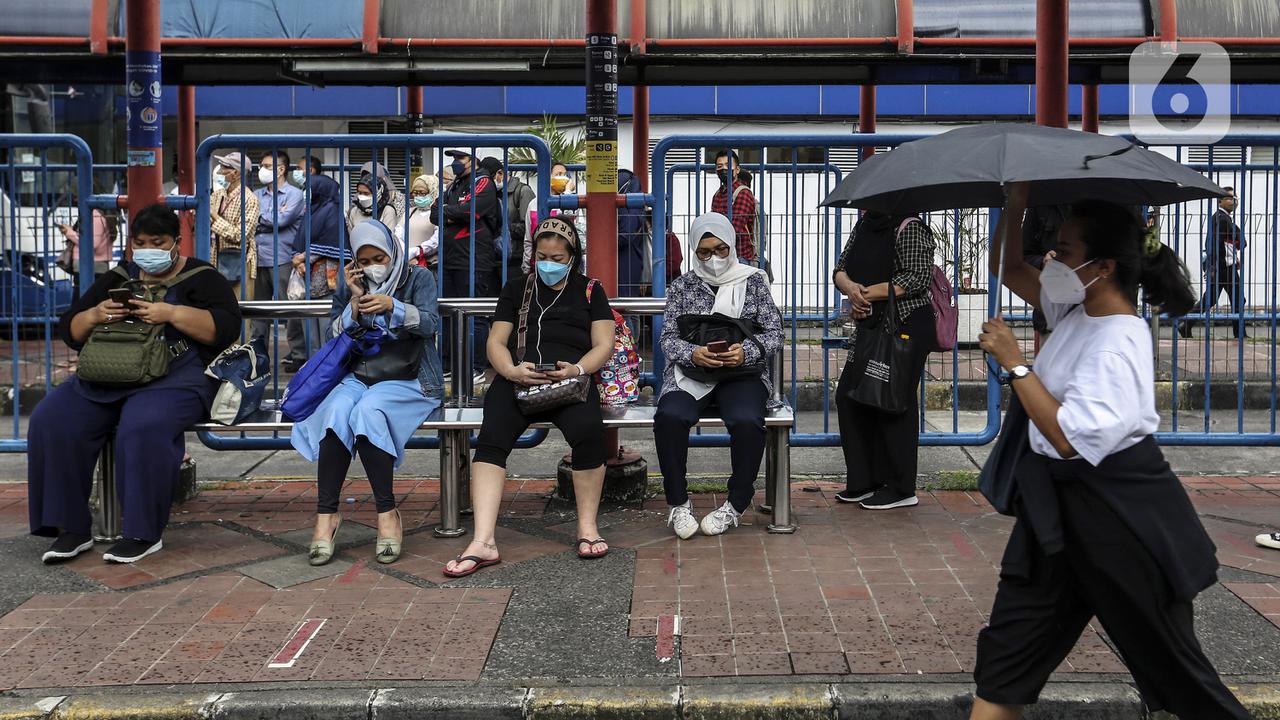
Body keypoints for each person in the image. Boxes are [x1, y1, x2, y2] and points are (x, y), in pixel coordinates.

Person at [970, 186, 1249, 720]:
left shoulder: (1117, 343)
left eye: (1065, 251)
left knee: (1179, 676)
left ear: (1103, 267)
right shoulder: (1076, 310)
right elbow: (1007, 266)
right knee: (1005, 662)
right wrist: (1016, 200)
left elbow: (1069, 439)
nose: (1052, 259)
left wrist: (1016, 363)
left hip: (1120, 522)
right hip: (1054, 520)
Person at [27, 204, 241, 564]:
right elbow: (71, 330)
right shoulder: (119, 277)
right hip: (108, 373)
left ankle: (143, 533)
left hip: (176, 378)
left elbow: (226, 329)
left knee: (143, 425)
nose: (147, 250)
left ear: (176, 242)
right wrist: (95, 315)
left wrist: (171, 313)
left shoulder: (202, 276)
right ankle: (70, 528)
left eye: (157, 242)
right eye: (140, 243)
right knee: (52, 419)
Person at [443, 217, 615, 577]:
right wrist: (510, 371)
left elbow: (603, 344)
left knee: (588, 433)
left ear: (573, 257)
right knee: (492, 437)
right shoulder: (517, 288)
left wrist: (576, 370)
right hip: (519, 378)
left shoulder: (590, 290)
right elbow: (495, 341)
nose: (548, 264)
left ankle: (587, 527)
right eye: (542, 257)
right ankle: (483, 540)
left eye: (557, 258)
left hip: (570, 381)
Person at [291, 220, 443, 566]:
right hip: (358, 374)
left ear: (392, 252)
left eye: (379, 258)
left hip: (410, 377)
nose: (374, 266)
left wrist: (393, 306)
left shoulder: (418, 277)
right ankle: (326, 515)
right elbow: (332, 334)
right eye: (365, 260)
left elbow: (430, 324)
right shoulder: (352, 284)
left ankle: (387, 513)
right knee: (336, 411)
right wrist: (354, 303)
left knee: (368, 411)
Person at [656, 212, 782, 539]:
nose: (714, 258)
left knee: (746, 420)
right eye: (704, 252)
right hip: (692, 373)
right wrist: (693, 353)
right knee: (670, 416)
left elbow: (775, 333)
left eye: (721, 249)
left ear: (732, 245)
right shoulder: (682, 286)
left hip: (742, 374)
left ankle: (736, 503)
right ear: (694, 251)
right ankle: (678, 503)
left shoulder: (753, 281)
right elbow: (668, 338)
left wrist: (745, 351)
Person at [832, 211, 937, 510]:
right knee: (849, 397)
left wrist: (863, 294)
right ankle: (865, 480)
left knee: (893, 402)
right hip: (872, 325)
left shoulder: (910, 227)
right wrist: (851, 289)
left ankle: (901, 488)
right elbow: (840, 268)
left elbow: (916, 278)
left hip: (905, 325)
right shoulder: (865, 225)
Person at [433, 149, 499, 386]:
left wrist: (450, 213)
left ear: (474, 160)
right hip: (450, 259)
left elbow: (473, 210)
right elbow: (434, 214)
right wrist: (454, 214)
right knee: (447, 313)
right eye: (453, 158)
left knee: (475, 315)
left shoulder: (483, 182)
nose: (455, 163)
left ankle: (475, 367)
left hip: (474, 260)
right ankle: (448, 366)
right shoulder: (453, 186)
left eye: (460, 158)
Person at [252, 150, 310, 370]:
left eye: (267, 166)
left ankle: (298, 355)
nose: (262, 170)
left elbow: (281, 222)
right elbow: (250, 221)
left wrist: (262, 219)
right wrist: (269, 219)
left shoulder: (294, 195)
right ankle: (257, 357)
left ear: (281, 169)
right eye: (262, 165)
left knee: (291, 309)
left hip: (283, 257)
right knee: (258, 311)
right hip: (257, 258)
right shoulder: (256, 194)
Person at [291, 161, 347, 343]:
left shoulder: (333, 210)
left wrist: (303, 257)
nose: (306, 193)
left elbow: (332, 240)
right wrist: (298, 260)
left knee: (326, 330)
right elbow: (300, 238)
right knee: (310, 334)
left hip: (326, 281)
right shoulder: (310, 211)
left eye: (309, 189)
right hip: (307, 278)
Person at [1181, 187, 1247, 339]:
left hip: (1222, 265)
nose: (1233, 201)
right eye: (1229, 198)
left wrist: (1232, 256)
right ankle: (1239, 333)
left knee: (1212, 299)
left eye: (1235, 198)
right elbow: (1215, 244)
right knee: (1236, 300)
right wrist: (1214, 266)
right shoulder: (1221, 219)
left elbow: (1228, 243)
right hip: (1223, 267)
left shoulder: (1221, 218)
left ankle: (1186, 324)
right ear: (1220, 201)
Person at [209, 152, 259, 298]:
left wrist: (214, 217)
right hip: (214, 258)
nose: (219, 172)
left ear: (236, 173)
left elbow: (240, 235)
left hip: (239, 261)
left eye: (224, 168)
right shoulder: (217, 195)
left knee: (239, 305)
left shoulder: (250, 200)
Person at [480, 156, 537, 284]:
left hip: (515, 258)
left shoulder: (522, 191)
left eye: (489, 179)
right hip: (494, 257)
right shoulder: (492, 193)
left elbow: (528, 228)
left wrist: (500, 227)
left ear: (500, 173)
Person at [710, 150, 758, 264]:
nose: (723, 169)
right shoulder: (718, 194)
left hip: (740, 257)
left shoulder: (743, 193)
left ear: (737, 170)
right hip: (719, 255)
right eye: (719, 166)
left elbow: (735, 229)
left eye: (728, 165)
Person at [346, 161, 405, 238]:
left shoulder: (392, 202)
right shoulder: (355, 207)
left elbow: (389, 236)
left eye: (366, 193)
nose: (362, 196)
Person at [394, 174, 439, 268]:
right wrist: (406, 252)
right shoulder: (410, 212)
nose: (418, 196)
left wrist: (417, 251)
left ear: (433, 192)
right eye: (415, 193)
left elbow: (437, 240)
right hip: (408, 263)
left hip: (430, 264)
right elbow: (398, 233)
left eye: (422, 193)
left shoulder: (438, 213)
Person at [617, 168, 649, 297]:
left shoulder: (627, 210)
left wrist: (604, 242)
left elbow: (624, 237)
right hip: (633, 259)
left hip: (625, 262)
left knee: (623, 299)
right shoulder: (637, 206)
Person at [58, 207, 115, 277]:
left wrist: (69, 232)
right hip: (93, 263)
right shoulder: (98, 216)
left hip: (89, 264)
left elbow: (92, 243)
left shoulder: (95, 217)